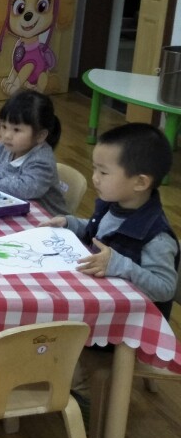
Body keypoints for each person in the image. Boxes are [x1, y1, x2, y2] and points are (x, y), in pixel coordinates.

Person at [43, 123, 179, 316]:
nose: (95, 178)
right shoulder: (115, 205)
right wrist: (71, 224)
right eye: (94, 169)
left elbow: (164, 289)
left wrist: (120, 265)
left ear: (140, 182)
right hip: (99, 299)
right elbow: (100, 231)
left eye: (103, 172)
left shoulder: (157, 238)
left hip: (128, 321)